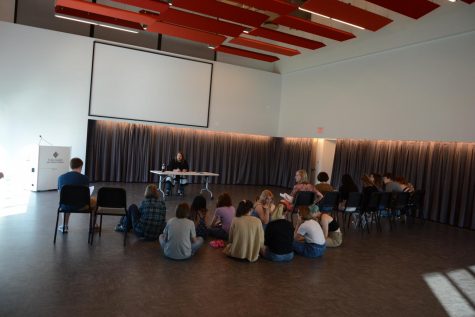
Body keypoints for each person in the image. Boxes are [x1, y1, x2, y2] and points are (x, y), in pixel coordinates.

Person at [57, 157, 96, 233]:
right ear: (81, 166)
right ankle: (93, 225)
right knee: (95, 201)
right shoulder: (85, 178)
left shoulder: (61, 177)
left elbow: (59, 194)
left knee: (66, 201)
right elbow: (86, 195)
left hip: (65, 205)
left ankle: (64, 226)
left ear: (71, 166)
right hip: (81, 205)